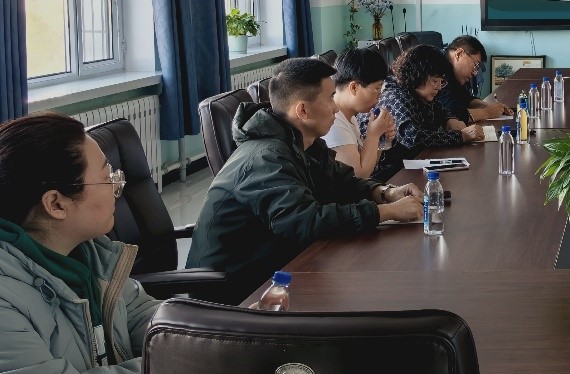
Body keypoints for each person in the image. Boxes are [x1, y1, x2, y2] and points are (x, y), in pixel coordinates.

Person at [0, 113, 162, 374]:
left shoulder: (86, 255)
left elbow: (143, 315)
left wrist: (209, 335)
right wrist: (178, 367)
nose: (117, 189)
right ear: (56, 203)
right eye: (107, 178)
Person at [186, 57, 422, 300]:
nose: (336, 108)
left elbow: (342, 181)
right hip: (236, 291)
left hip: (277, 267)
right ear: (303, 110)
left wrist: (385, 193)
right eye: (330, 98)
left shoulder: (302, 143)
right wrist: (387, 212)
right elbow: (307, 222)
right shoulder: (266, 159)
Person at [368, 45, 485, 182]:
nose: (439, 87)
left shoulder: (418, 92)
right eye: (435, 81)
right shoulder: (395, 96)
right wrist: (461, 136)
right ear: (417, 75)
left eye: (441, 81)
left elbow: (440, 109)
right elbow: (413, 138)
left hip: (410, 165)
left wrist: (450, 119)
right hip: (388, 175)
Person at [323, 47, 397, 179]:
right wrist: (373, 134)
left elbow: (368, 164)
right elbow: (358, 176)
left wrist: (380, 139)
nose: (380, 95)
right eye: (377, 88)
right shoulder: (333, 122)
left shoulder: (349, 116)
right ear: (354, 87)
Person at [439, 35, 511, 123]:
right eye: (475, 65)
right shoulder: (437, 67)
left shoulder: (454, 72)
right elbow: (450, 112)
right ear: (459, 54)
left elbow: (465, 99)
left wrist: (488, 106)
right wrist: (487, 113)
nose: (475, 73)